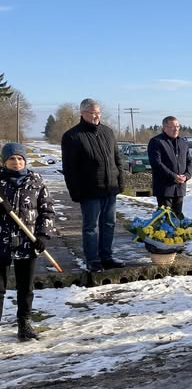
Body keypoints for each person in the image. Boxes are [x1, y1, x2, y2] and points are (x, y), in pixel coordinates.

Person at [61, 98, 125, 273]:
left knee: (109, 224)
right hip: (89, 190)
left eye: (98, 112)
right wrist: (75, 192)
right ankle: (93, 260)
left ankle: (107, 256)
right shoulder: (72, 136)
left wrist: (120, 181)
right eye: (93, 113)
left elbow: (117, 159)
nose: (96, 116)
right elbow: (70, 168)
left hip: (110, 188)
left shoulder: (108, 132)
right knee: (91, 227)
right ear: (83, 114)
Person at [0, 143, 54, 340]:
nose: (16, 163)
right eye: (12, 159)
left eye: (20, 159)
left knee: (25, 288)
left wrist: (42, 236)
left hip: (27, 241)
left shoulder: (36, 181)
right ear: (4, 161)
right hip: (1, 242)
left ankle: (24, 324)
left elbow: (47, 210)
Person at [147, 116, 192, 218]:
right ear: (164, 128)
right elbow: (156, 163)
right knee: (165, 220)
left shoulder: (183, 142)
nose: (176, 129)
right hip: (165, 188)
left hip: (180, 187)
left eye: (177, 126)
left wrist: (186, 176)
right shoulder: (156, 142)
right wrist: (173, 176)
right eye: (172, 127)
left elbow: (189, 161)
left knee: (178, 219)